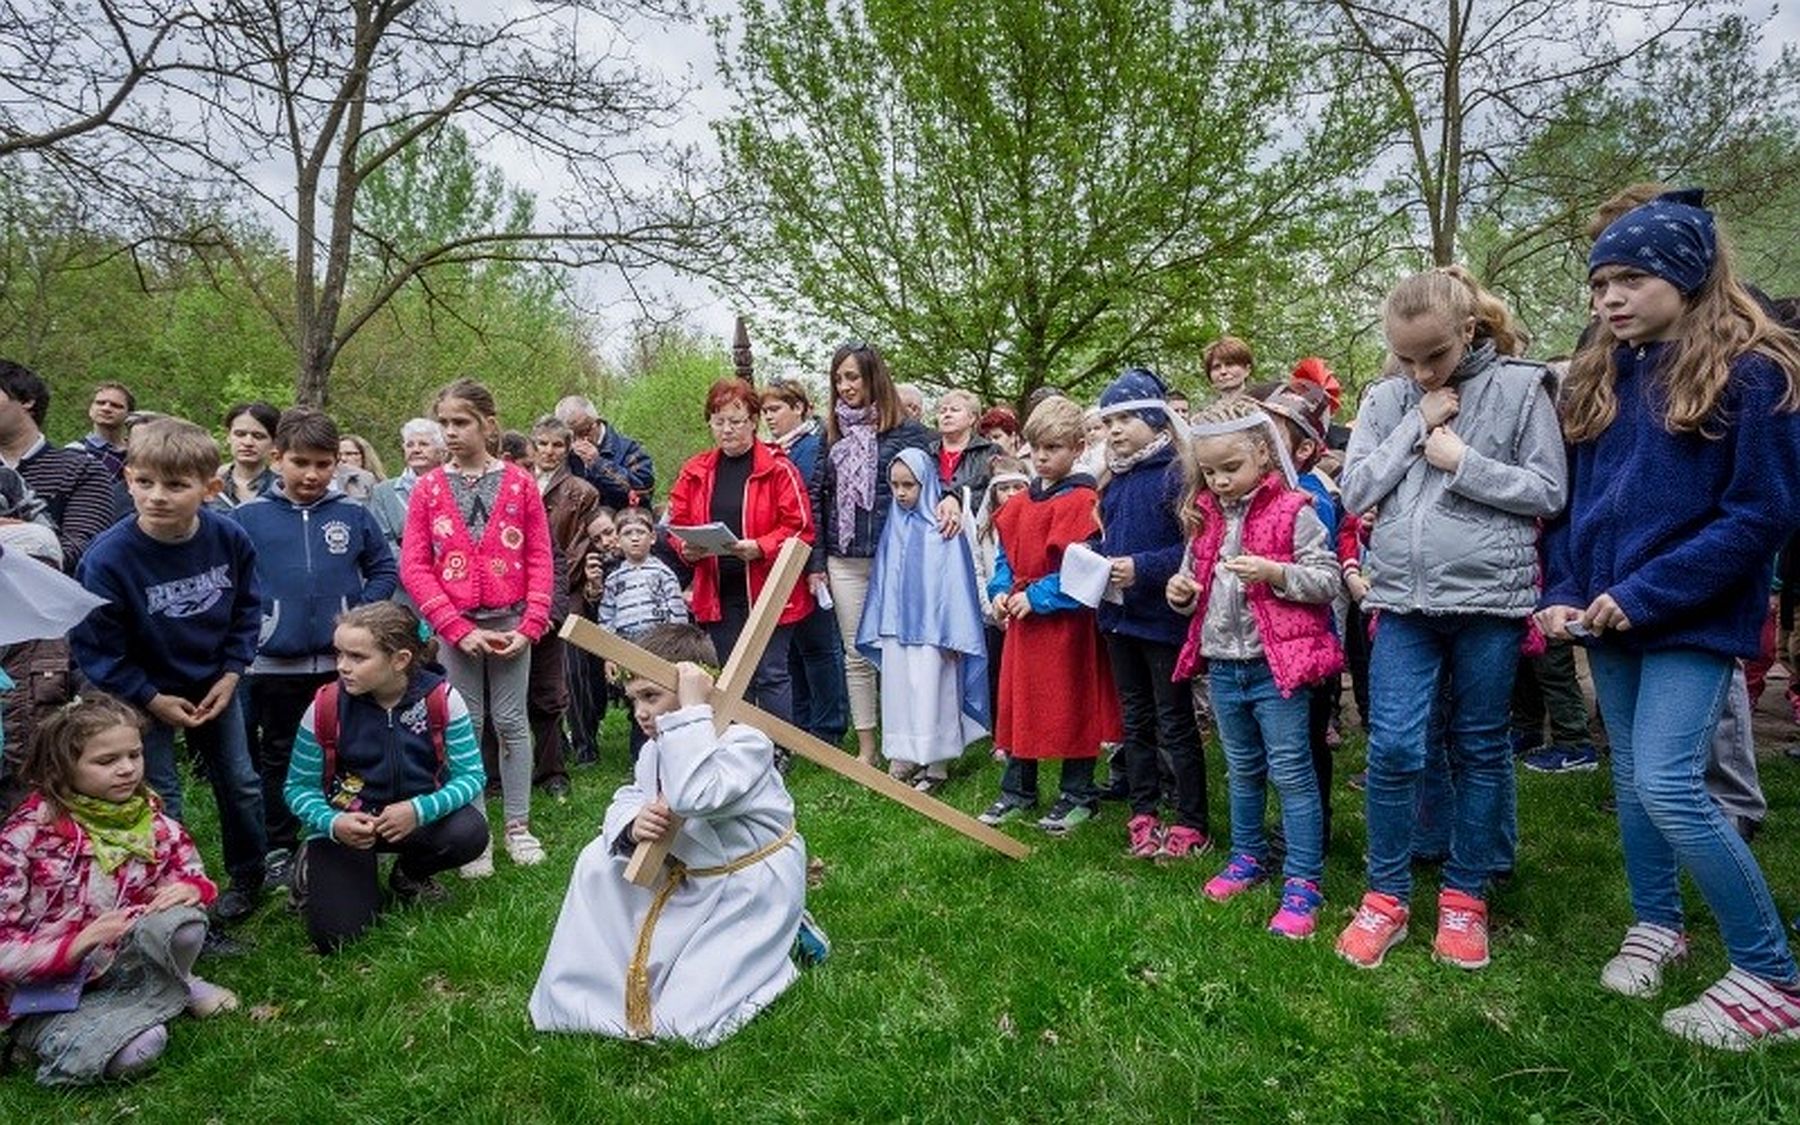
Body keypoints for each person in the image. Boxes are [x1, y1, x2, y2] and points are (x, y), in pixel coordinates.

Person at [1538, 194, 1800, 1049]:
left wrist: (1646, 592)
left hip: (1686, 616)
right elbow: (1575, 510)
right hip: (1605, 618)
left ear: (1686, 276)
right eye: (1598, 283)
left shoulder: (1752, 371)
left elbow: (1759, 515)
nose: (1607, 299)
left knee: (1671, 785)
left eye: (1630, 279)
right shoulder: (1603, 373)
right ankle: (1658, 923)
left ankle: (1771, 974)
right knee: (1631, 788)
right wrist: (1569, 588)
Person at [1335, 267, 1566, 972]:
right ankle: (1388, 892)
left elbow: (1548, 491)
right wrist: (1415, 421)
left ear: (1468, 329)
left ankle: (1466, 894)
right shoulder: (1386, 398)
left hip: (1489, 602)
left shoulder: (1524, 388)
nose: (1420, 368)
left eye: (1433, 354)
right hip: (1403, 598)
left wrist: (1464, 461)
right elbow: (1354, 489)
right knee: (1397, 746)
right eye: (1405, 357)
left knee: (1480, 744)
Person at [529, 624, 814, 1046]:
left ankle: (783, 948)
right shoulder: (658, 745)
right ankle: (586, 987)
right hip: (696, 879)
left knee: (683, 1025)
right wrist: (631, 824)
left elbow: (695, 794)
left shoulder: (745, 743)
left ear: (697, 689)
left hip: (747, 890)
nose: (641, 712)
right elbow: (632, 793)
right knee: (597, 860)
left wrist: (691, 713)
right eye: (634, 700)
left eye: (651, 696)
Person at [70, 418, 270, 923]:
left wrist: (231, 673)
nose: (157, 496)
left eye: (177, 485)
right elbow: (96, 645)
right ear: (129, 478)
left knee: (241, 781)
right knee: (161, 795)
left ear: (210, 488)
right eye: (144, 482)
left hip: (214, 684)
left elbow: (248, 608)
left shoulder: (229, 538)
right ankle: (175, 896)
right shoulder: (107, 559)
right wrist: (150, 697)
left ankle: (249, 876)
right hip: (139, 695)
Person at [1167, 398, 1342, 939]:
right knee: (1241, 770)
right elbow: (1191, 581)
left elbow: (1327, 580)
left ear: (1263, 455)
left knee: (1291, 772)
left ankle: (1303, 880)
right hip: (1225, 664)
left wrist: (1274, 572)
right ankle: (1247, 856)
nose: (1219, 481)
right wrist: (1182, 594)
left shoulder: (1296, 510)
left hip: (1277, 666)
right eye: (1210, 471)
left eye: (1230, 469)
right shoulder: (1205, 521)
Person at [0, 694, 237, 1085]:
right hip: (44, 989)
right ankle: (38, 1035)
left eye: (134, 755)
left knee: (185, 922)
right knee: (142, 1047)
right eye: (106, 761)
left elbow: (193, 872)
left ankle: (170, 984)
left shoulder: (153, 821)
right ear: (61, 768)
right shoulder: (23, 839)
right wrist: (75, 945)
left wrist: (191, 888)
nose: (127, 770)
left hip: (125, 963)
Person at [232, 408, 397, 888]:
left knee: (348, 749)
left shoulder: (352, 513)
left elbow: (383, 568)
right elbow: (235, 583)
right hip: (273, 664)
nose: (311, 474)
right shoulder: (247, 518)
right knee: (279, 754)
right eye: (300, 462)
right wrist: (259, 624)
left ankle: (345, 833)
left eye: (323, 464)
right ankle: (279, 844)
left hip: (340, 665)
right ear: (277, 457)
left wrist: (357, 619)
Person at [400, 379, 555, 876]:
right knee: (467, 725)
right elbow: (415, 566)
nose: (451, 433)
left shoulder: (519, 483)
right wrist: (453, 626)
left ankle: (518, 825)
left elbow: (539, 557)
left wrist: (530, 626)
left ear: (488, 424)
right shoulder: (428, 489)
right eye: (444, 423)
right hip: (457, 629)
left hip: (512, 622)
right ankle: (477, 833)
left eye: (460, 422)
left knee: (511, 722)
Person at [283, 602, 487, 952]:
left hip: (415, 822)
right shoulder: (325, 706)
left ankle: (410, 876)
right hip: (350, 827)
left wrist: (419, 810)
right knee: (338, 939)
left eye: (358, 657)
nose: (342, 667)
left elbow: (472, 776)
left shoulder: (443, 699)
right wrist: (333, 824)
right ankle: (315, 863)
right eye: (339, 654)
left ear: (400, 659)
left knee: (471, 831)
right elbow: (297, 787)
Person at [978, 396, 1122, 832]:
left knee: (1070, 707)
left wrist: (1039, 597)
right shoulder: (1019, 502)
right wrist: (1001, 591)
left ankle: (1078, 794)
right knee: (1020, 705)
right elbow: (1005, 558)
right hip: (1023, 623)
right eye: (1036, 447)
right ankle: (1016, 791)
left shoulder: (1082, 501)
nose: (1042, 457)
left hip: (1065, 626)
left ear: (1078, 447)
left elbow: (1085, 569)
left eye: (1054, 448)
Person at [1093, 368, 1210, 860]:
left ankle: (1191, 819)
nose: (1115, 429)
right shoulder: (1112, 480)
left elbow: (1191, 547)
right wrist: (1093, 556)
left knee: (1175, 721)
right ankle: (1143, 813)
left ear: (1155, 418)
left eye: (1124, 418)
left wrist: (1140, 568)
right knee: (1134, 721)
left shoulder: (1177, 473)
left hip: (1162, 620)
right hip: (1119, 620)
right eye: (1108, 420)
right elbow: (1112, 539)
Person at [808, 343, 941, 765]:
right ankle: (866, 748)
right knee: (855, 651)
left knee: (897, 651)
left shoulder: (909, 432)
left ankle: (901, 745)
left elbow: (939, 480)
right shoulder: (829, 435)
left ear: (873, 379)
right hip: (844, 558)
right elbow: (816, 499)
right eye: (839, 378)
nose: (845, 387)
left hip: (894, 557)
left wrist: (952, 498)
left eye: (853, 377)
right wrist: (817, 562)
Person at [667, 379, 814, 723]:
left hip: (768, 586)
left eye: (736, 421)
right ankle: (740, 745)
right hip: (719, 588)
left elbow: (801, 527)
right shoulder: (695, 470)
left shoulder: (778, 468)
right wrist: (685, 548)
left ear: (753, 421)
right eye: (718, 422)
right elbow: (677, 520)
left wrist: (760, 546)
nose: (727, 430)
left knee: (771, 671)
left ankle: (778, 749)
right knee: (733, 675)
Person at [856, 448, 988, 793]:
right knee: (901, 692)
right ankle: (904, 753)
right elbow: (884, 579)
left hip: (935, 633)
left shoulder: (944, 528)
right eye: (895, 485)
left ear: (926, 482)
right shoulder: (894, 526)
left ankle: (937, 764)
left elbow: (957, 585)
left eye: (909, 485)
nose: (901, 493)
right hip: (897, 629)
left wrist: (955, 635)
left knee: (935, 693)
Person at [763, 379, 848, 750]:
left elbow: (812, 506)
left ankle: (828, 726)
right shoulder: (771, 450)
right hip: (780, 559)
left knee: (820, 646)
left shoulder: (814, 446)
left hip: (810, 558)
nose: (769, 417)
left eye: (776, 409)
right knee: (792, 647)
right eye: (765, 411)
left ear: (799, 407)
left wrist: (815, 564)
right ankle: (800, 723)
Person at [525, 415, 601, 800]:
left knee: (567, 675)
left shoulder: (581, 491)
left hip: (564, 587)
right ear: (532, 446)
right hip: (520, 589)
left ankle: (580, 745)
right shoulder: (517, 483)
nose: (549, 451)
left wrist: (557, 583)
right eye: (543, 444)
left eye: (557, 445)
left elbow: (579, 545)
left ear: (568, 447)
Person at [0, 360, 118, 573]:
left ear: (26, 400)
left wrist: (31, 541)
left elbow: (83, 549)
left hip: (51, 599)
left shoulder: (81, 470)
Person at [972, 456, 1029, 755]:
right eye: (1002, 488)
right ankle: (1001, 736)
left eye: (1016, 487)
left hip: (1025, 609)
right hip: (995, 612)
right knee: (998, 675)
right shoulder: (985, 529)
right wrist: (991, 606)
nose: (1009, 494)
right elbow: (980, 569)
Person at [567, 507, 620, 766]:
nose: (605, 542)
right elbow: (594, 611)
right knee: (585, 680)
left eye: (609, 532)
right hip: (603, 630)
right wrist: (593, 584)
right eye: (597, 540)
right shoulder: (597, 564)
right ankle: (584, 742)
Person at [599, 507, 689, 642]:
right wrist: (609, 653)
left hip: (661, 641)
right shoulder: (613, 579)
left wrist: (677, 643)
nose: (635, 538)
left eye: (641, 532)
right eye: (627, 533)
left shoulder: (663, 573)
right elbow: (606, 618)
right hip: (626, 644)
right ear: (617, 541)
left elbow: (678, 611)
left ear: (652, 537)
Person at [554, 394, 655, 510]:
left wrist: (599, 464)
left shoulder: (631, 448)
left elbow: (643, 492)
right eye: (571, 436)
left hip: (621, 521)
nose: (578, 441)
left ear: (596, 422)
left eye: (583, 432)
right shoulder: (564, 452)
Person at [367, 418, 447, 559]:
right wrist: (410, 569)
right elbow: (382, 540)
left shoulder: (453, 486)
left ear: (441, 451)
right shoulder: (383, 492)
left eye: (424, 444)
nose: (416, 450)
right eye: (410, 445)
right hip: (402, 573)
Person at [929, 388, 1000, 504]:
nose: (947, 415)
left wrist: (959, 500)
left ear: (972, 418)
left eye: (954, 410)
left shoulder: (990, 452)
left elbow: (996, 493)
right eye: (942, 411)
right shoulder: (927, 452)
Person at [209, 402, 281, 512]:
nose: (248, 442)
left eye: (258, 436)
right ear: (228, 436)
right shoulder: (209, 486)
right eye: (240, 434)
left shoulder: (282, 489)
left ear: (274, 442)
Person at [69, 382, 133, 480]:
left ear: (129, 414)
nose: (106, 408)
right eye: (100, 403)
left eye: (116, 405)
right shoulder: (74, 452)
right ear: (90, 409)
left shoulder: (137, 452)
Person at [1203, 336, 1254, 402]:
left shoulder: (1266, 403)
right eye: (1216, 367)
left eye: (1230, 364)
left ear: (1247, 370)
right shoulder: (1204, 411)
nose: (1223, 371)